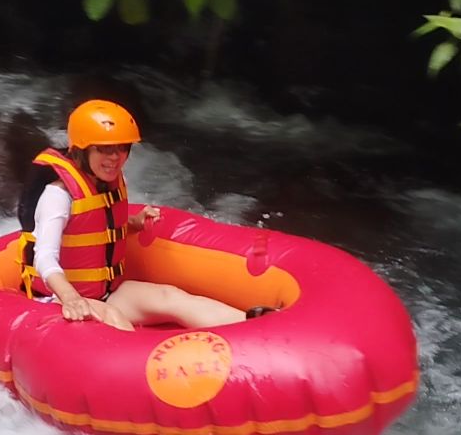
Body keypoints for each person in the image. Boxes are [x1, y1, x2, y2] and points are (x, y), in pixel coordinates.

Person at [16, 99, 275, 331]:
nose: (115, 158)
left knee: (169, 296)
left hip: (105, 293)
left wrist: (133, 224)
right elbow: (45, 256)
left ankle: (257, 327)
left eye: (121, 148)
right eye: (104, 149)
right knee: (116, 321)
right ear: (83, 149)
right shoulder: (57, 194)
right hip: (59, 299)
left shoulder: (105, 180)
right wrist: (71, 298)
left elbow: (95, 231)